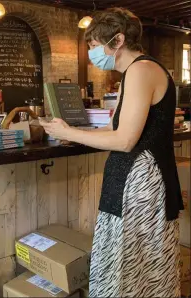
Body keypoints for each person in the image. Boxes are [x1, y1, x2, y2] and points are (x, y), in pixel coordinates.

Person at [41, 8, 183, 297]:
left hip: (142, 182)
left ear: (117, 41)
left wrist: (67, 134)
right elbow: (110, 128)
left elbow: (125, 141)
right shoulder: (132, 73)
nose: (93, 52)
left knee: (137, 266)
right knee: (126, 262)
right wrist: (69, 131)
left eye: (94, 46)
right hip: (128, 179)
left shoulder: (143, 70)